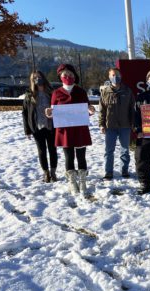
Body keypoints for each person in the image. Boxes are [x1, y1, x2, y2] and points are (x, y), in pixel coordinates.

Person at [46, 64, 95, 195]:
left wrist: (91, 111)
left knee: (81, 156)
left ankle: (83, 181)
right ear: (60, 77)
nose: (68, 77)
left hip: (79, 129)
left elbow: (87, 109)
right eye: (65, 75)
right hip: (65, 130)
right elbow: (53, 112)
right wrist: (49, 113)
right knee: (68, 157)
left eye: (71, 75)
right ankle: (72, 182)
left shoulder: (81, 91)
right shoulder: (56, 93)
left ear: (75, 76)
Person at [99, 67, 136, 180]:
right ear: (109, 77)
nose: (115, 77)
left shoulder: (128, 91)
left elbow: (132, 109)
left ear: (121, 76)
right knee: (109, 150)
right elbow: (102, 110)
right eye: (113, 75)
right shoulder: (105, 91)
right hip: (110, 126)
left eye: (117, 75)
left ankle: (124, 170)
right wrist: (101, 124)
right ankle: (108, 172)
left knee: (125, 149)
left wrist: (133, 123)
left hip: (125, 126)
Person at [22, 70, 58, 183]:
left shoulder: (51, 92)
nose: (38, 79)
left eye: (39, 77)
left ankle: (53, 172)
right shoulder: (29, 95)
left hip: (51, 126)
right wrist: (27, 130)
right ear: (32, 80)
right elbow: (25, 113)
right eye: (35, 78)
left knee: (53, 150)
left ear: (43, 77)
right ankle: (46, 173)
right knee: (42, 151)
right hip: (37, 127)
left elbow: (58, 107)